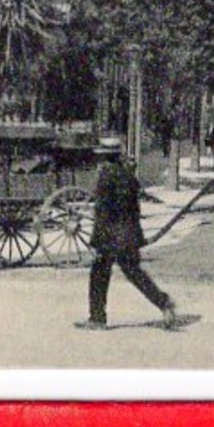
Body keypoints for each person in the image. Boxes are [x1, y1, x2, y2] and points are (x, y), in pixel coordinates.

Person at [77, 139, 180, 331]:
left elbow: (103, 212)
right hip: (128, 233)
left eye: (101, 157)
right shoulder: (128, 176)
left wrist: (98, 242)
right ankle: (164, 302)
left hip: (110, 235)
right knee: (135, 273)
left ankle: (97, 318)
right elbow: (134, 209)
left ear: (105, 157)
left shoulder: (106, 176)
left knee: (99, 273)